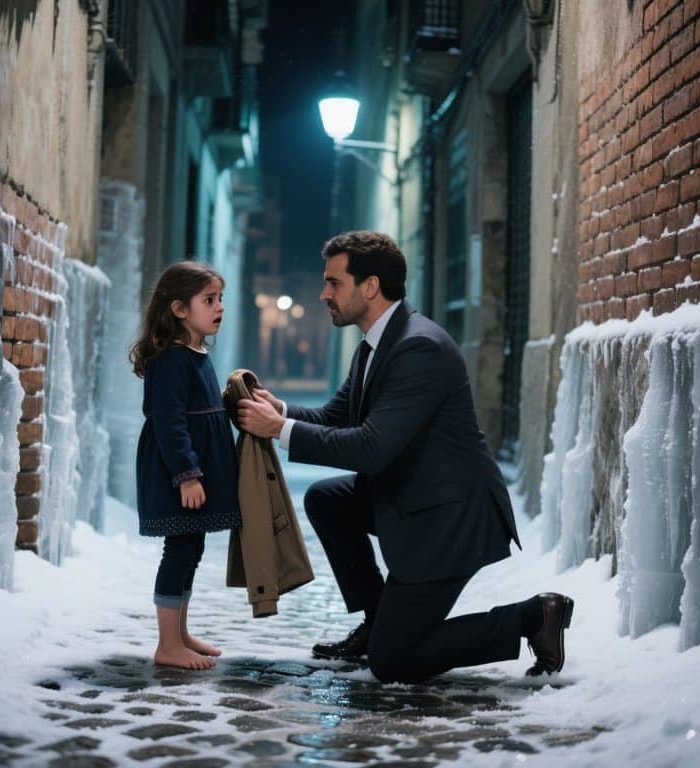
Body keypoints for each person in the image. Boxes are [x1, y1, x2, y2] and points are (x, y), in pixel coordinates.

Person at [237, 230, 574, 683]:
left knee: (394, 661)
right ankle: (377, 622)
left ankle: (534, 617)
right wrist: (279, 410)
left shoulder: (420, 347)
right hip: (414, 497)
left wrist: (279, 431)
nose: (323, 294)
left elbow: (372, 447)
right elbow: (336, 416)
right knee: (327, 499)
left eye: (334, 283)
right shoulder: (377, 342)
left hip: (449, 519)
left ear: (370, 286)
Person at [131, 261, 241, 670]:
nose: (219, 308)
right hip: (175, 472)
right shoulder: (171, 360)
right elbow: (170, 423)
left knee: (190, 547)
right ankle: (166, 644)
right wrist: (187, 475)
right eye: (209, 300)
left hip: (192, 470)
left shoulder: (196, 353)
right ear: (179, 308)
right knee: (178, 550)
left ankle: (180, 632)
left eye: (220, 299)